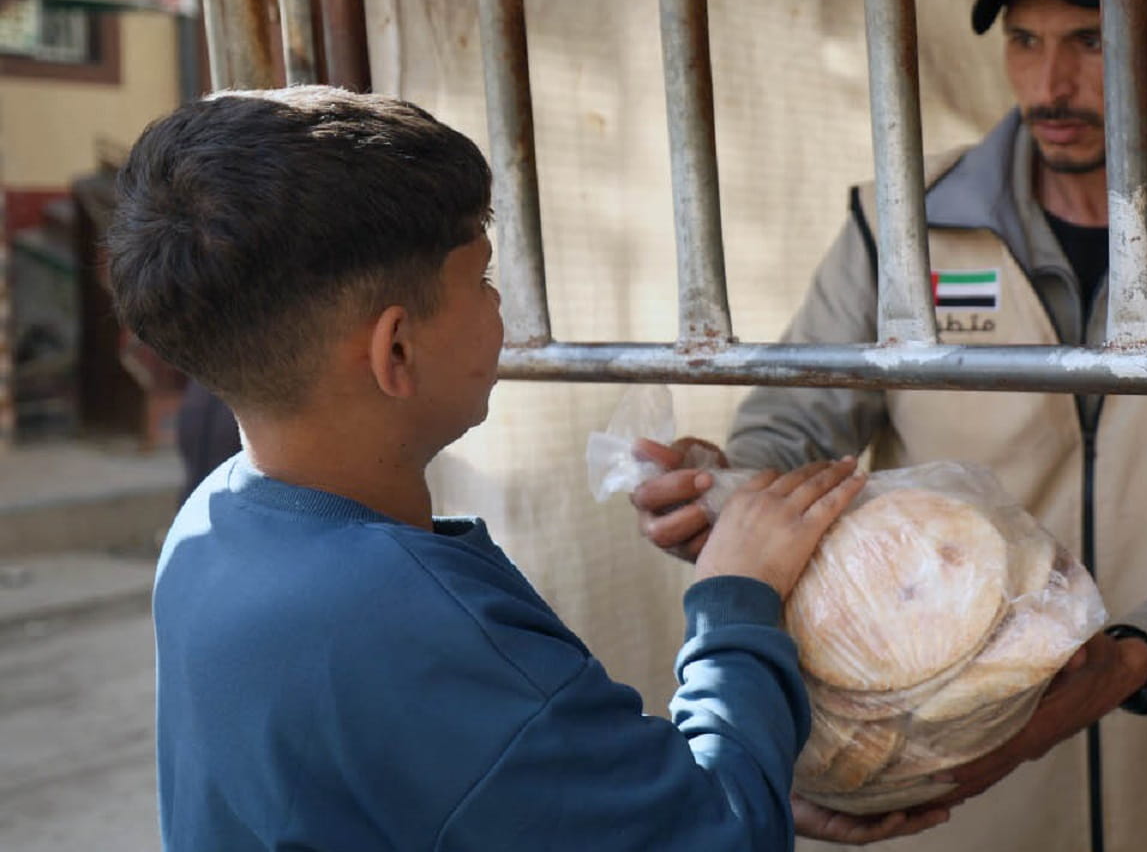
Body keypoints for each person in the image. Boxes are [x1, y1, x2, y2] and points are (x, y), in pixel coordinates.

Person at [632, 0, 1147, 852]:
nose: (1050, 86)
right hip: (952, 791)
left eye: (1091, 41)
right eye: (1025, 39)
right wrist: (735, 487)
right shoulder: (899, 229)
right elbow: (800, 416)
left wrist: (1130, 660)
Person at [110, 86, 946, 850]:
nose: (500, 302)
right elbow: (721, 840)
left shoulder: (211, 528)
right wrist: (735, 601)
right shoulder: (409, 620)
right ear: (395, 349)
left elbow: (463, 792)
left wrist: (728, 763)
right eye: (479, 277)